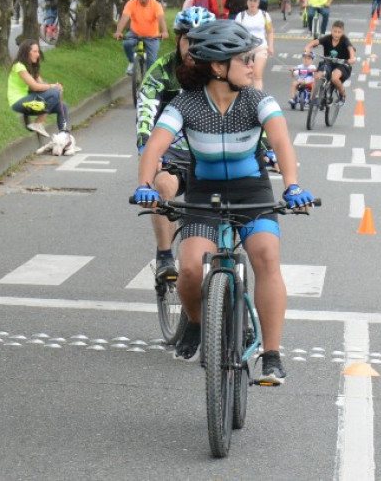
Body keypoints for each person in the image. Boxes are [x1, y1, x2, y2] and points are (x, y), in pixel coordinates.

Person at [133, 20, 315, 384]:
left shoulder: (258, 100)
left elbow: (281, 143)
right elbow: (155, 145)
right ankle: (199, 324)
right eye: (245, 58)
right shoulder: (186, 105)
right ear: (218, 67)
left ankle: (272, 355)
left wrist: (292, 186)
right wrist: (144, 184)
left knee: (266, 255)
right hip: (204, 193)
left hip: (252, 191)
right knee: (188, 270)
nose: (252, 64)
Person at [135, 6, 217, 281]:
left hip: (215, 156)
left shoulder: (222, 71)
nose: (193, 47)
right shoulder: (162, 71)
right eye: (187, 39)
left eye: (200, 40)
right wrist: (147, 149)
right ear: (177, 40)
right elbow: (146, 111)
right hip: (174, 156)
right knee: (162, 186)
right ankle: (164, 255)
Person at [8, 39, 69, 136]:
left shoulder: (31, 66)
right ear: (26, 53)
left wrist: (56, 87)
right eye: (35, 52)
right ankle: (38, 123)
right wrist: (53, 87)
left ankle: (64, 136)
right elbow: (35, 87)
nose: (38, 54)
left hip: (31, 102)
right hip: (19, 102)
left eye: (38, 51)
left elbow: (42, 84)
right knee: (55, 92)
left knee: (63, 106)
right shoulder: (19, 66)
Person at [114, 0, 169, 75]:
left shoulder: (156, 5)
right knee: (127, 43)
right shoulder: (131, 4)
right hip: (135, 33)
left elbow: (161, 19)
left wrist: (164, 32)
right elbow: (124, 18)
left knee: (151, 64)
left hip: (152, 36)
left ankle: (148, 83)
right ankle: (132, 62)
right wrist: (118, 32)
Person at [302, 19, 356, 107]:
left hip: (342, 64)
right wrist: (308, 48)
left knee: (334, 78)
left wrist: (352, 58)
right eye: (335, 31)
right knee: (317, 76)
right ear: (331, 31)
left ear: (343, 32)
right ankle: (312, 99)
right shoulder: (327, 38)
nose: (336, 34)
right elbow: (315, 42)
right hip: (328, 62)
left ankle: (342, 95)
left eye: (339, 32)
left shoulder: (345, 40)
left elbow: (350, 49)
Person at [236, 0, 274, 89]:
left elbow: (270, 32)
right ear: (247, 2)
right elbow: (236, 33)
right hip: (244, 49)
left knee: (257, 76)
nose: (252, 3)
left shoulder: (265, 15)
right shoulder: (241, 16)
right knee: (244, 76)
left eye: (255, 1)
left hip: (260, 48)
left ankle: (257, 100)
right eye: (250, 1)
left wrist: (270, 46)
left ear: (258, 3)